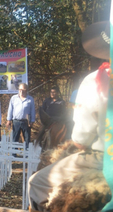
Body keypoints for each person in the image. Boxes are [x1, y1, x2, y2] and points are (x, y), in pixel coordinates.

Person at [28, 21, 110, 212]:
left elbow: (81, 140)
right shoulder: (49, 101)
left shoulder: (96, 80)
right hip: (54, 122)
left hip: (103, 156)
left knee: (37, 183)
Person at [6, 83, 35, 149]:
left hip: (26, 122)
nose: (21, 91)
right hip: (16, 121)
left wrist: (32, 121)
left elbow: (32, 110)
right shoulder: (14, 98)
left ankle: (27, 154)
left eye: (23, 90)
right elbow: (10, 109)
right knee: (15, 138)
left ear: (26, 90)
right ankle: (13, 154)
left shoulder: (30, 99)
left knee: (27, 139)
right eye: (20, 89)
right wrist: (9, 120)